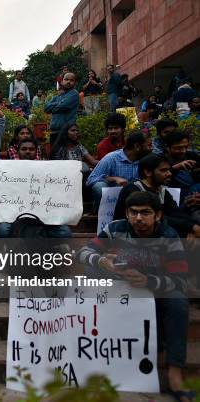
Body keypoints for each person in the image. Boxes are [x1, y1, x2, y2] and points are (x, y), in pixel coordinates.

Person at [78, 191, 193, 402]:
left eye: (145, 213)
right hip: (120, 287)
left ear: (157, 215)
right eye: (134, 213)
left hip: (154, 289)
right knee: (90, 273)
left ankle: (175, 372)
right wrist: (101, 261)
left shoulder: (169, 236)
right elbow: (83, 252)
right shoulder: (115, 228)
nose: (139, 218)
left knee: (178, 301)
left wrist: (149, 282)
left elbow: (180, 281)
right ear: (127, 214)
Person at [0, 138, 73, 238]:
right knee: (3, 230)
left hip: (45, 218)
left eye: (31, 149)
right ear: (18, 151)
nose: (28, 151)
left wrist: (73, 175)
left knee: (65, 232)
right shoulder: (6, 170)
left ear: (36, 151)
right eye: (24, 149)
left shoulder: (49, 169)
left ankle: (42, 243)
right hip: (17, 218)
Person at [112, 154, 200, 238]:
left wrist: (193, 228)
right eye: (163, 170)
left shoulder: (161, 190)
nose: (169, 174)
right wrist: (191, 227)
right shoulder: (133, 189)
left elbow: (176, 213)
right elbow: (157, 218)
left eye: (169, 170)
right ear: (148, 172)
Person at [86, 130, 152, 208]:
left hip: (137, 200)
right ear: (137, 146)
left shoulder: (147, 160)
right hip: (112, 201)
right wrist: (114, 179)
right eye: (149, 145)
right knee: (99, 186)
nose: (151, 148)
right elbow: (91, 180)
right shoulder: (111, 158)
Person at [164, 130, 200, 199]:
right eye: (178, 148)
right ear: (167, 147)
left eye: (186, 147)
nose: (183, 151)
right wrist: (175, 168)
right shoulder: (161, 161)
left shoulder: (192, 156)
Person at [44, 72, 80, 138]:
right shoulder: (57, 96)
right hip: (54, 131)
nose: (68, 81)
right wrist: (60, 102)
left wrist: (53, 108)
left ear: (75, 83)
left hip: (66, 132)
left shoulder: (74, 94)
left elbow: (61, 107)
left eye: (71, 80)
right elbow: (46, 108)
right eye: (66, 79)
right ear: (62, 81)